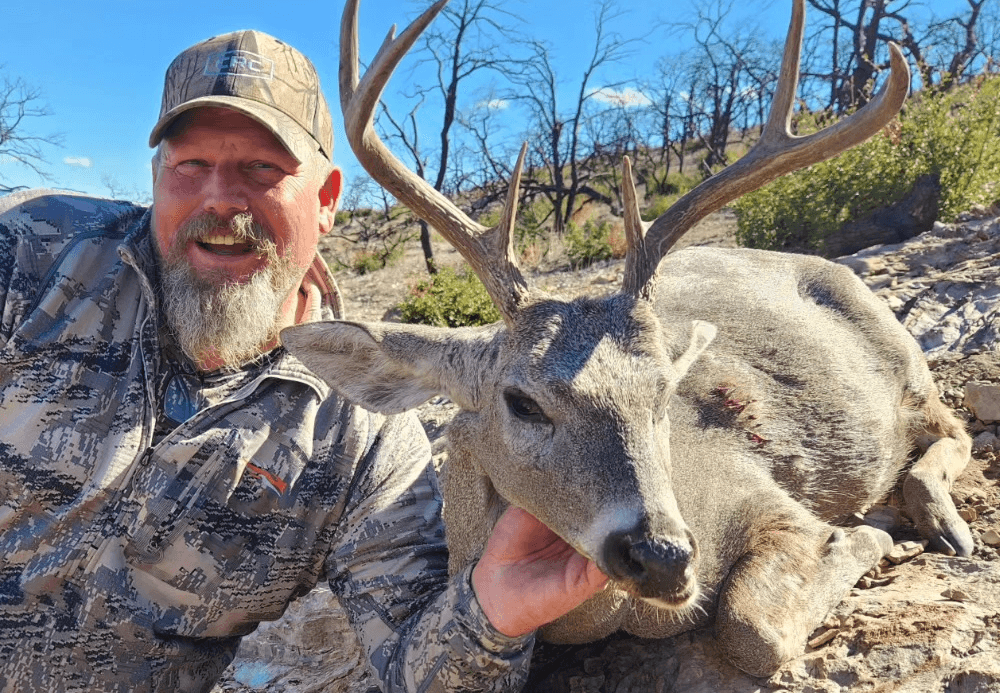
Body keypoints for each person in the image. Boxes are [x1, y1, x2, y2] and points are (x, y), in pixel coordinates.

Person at [0, 30, 606, 693]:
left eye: (262, 169)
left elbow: (417, 666)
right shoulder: (32, 254)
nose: (220, 199)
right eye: (190, 165)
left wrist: (492, 616)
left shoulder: (362, 432)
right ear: (156, 177)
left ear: (327, 199)